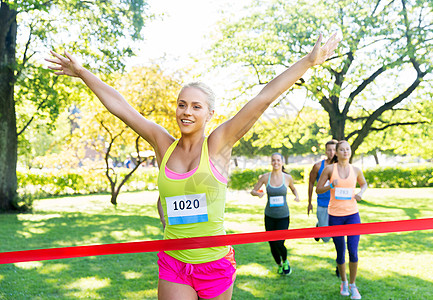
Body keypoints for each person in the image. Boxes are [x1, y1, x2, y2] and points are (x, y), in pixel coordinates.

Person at [46, 32, 340, 300]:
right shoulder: (163, 143)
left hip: (214, 264)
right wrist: (83, 73)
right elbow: (122, 107)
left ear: (210, 113)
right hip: (174, 263)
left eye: (196, 106)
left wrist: (309, 61)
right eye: (182, 104)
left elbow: (262, 99)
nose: (186, 112)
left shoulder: (218, 144)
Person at [316, 140, 367, 300]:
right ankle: (343, 282)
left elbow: (364, 184)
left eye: (348, 149)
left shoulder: (356, 170)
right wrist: (331, 186)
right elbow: (318, 189)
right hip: (335, 216)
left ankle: (353, 285)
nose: (345, 152)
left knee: (353, 250)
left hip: (352, 215)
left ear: (350, 152)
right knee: (340, 252)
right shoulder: (330, 169)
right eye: (342, 149)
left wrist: (361, 193)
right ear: (336, 153)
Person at [250, 153, 300, 275]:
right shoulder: (265, 177)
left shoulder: (287, 178)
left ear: (282, 162)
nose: (276, 162)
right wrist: (258, 194)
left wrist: (297, 196)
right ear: (271, 162)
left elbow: (293, 188)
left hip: (283, 216)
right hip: (269, 216)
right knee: (272, 244)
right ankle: (279, 265)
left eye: (278, 160)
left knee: (279, 242)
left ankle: (286, 261)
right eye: (273, 160)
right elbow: (253, 191)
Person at [307, 139, 337, 243]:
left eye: (334, 150)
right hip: (323, 203)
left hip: (337, 204)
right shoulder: (318, 166)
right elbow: (311, 183)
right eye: (329, 150)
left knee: (338, 234)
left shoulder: (341, 167)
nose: (332, 153)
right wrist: (309, 202)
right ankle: (319, 225)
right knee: (326, 238)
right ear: (325, 152)